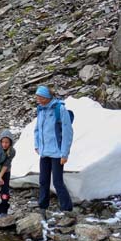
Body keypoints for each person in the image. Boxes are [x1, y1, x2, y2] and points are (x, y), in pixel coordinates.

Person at [34, 85, 73, 217]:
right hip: (44, 152)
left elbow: (67, 132)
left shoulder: (59, 109)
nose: (37, 99)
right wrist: (37, 144)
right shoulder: (40, 110)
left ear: (46, 97)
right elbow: (37, 130)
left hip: (57, 153)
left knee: (57, 181)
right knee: (43, 180)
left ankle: (67, 208)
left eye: (39, 97)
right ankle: (43, 206)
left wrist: (65, 153)